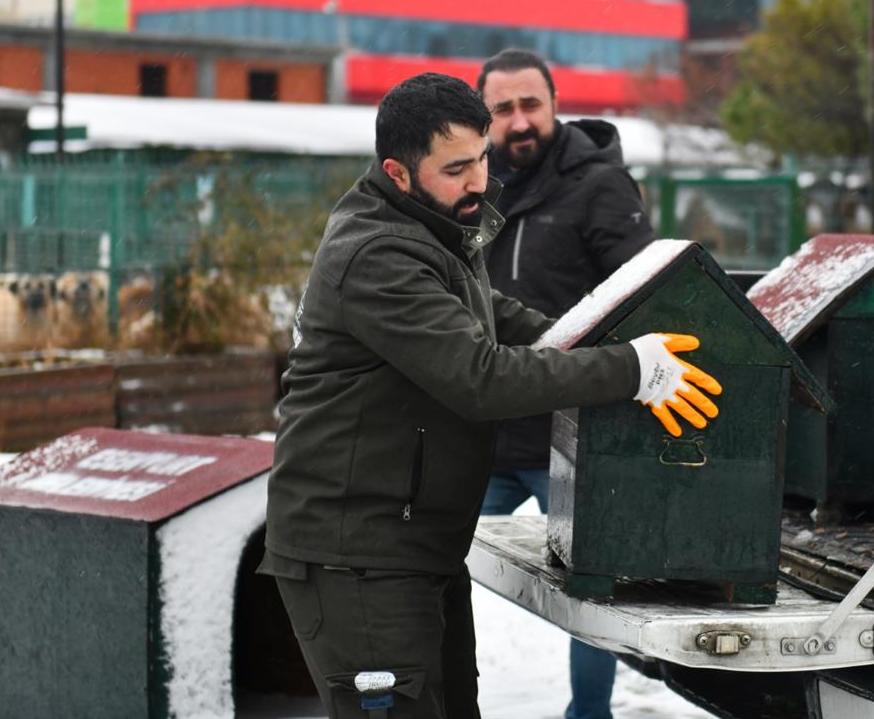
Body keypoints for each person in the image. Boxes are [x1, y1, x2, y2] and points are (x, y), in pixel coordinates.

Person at [259, 72, 723, 719]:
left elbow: (502, 316)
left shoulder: (435, 226)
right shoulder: (377, 254)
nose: (479, 178)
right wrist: (626, 369)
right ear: (396, 171)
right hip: (356, 557)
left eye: (481, 156)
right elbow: (480, 376)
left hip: (414, 543)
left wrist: (590, 340)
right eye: (456, 167)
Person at [475, 49, 655, 719]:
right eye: (503, 109)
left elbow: (644, 295)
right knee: (425, 566)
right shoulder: (471, 183)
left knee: (590, 590)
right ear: (483, 116)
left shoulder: (599, 186)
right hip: (484, 421)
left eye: (531, 104)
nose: (520, 121)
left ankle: (590, 713)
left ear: (554, 103)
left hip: (569, 430)